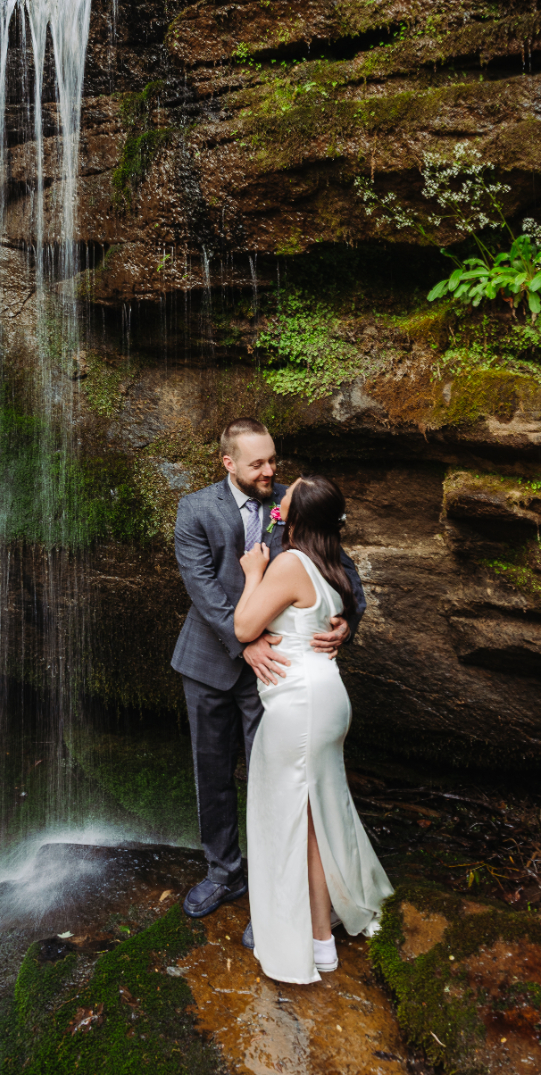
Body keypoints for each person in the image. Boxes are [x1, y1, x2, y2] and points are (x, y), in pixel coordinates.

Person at [171, 418, 366, 921]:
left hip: (278, 677)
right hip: (210, 664)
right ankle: (223, 873)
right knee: (211, 774)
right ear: (228, 462)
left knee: (279, 783)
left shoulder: (295, 503)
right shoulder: (195, 509)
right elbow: (204, 590)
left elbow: (342, 570)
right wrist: (246, 645)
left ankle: (275, 895)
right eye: (257, 463)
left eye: (272, 460)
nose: (269, 471)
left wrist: (346, 620)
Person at [235, 474, 393, 981]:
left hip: (298, 705)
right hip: (327, 698)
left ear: (296, 520)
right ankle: (322, 934)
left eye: (284, 503)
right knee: (316, 820)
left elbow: (244, 627)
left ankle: (314, 941)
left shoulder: (287, 563)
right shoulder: (332, 567)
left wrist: (253, 572)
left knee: (289, 822)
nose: (277, 502)